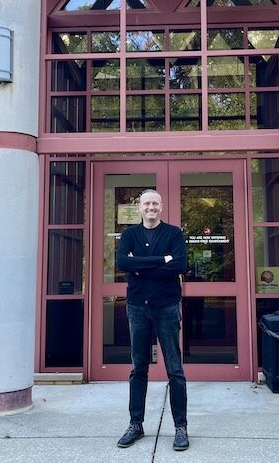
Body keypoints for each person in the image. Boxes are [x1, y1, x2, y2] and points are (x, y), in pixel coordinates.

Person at [116, 189, 189, 451]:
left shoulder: (174, 234)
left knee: (175, 369)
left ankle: (180, 427)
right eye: (146, 203)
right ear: (140, 207)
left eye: (155, 203)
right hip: (137, 308)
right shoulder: (129, 235)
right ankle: (136, 424)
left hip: (167, 308)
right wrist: (161, 260)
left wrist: (141, 265)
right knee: (138, 368)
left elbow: (180, 265)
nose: (151, 207)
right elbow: (123, 262)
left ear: (161, 207)